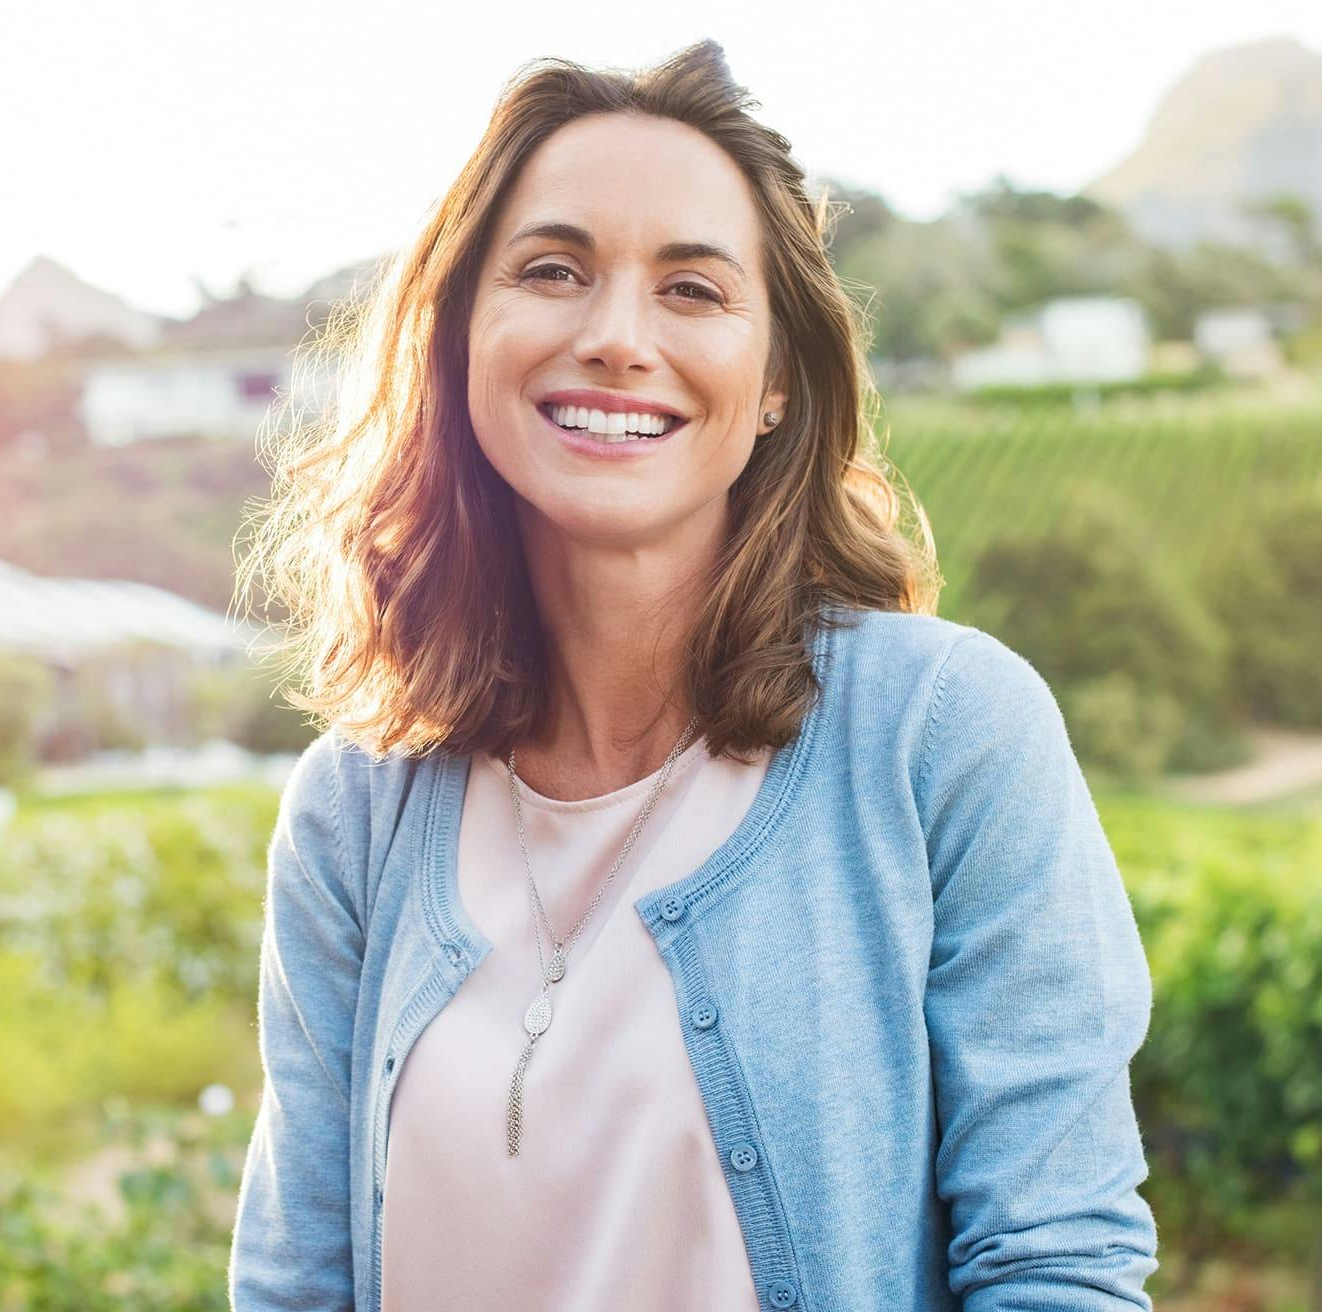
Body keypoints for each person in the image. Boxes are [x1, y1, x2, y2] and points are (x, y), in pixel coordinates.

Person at [228, 38, 1159, 1312]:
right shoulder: (355, 812)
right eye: (552, 271)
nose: (615, 338)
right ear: (460, 338)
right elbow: (295, 1284)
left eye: (693, 290)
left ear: (777, 381)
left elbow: (1057, 1264)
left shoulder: (944, 733)